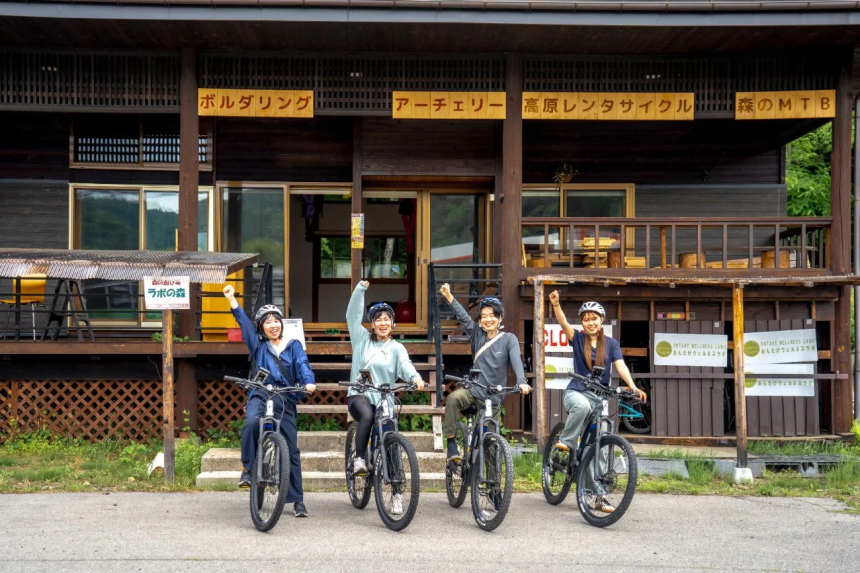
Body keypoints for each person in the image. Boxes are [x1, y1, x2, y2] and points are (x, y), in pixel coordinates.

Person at [547, 291, 647, 512]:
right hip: (577, 392)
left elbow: (620, 365)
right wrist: (556, 305)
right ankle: (566, 442)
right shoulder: (578, 339)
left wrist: (631, 385)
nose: (590, 322)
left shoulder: (611, 344)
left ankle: (598, 496)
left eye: (594, 318)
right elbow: (563, 323)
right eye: (586, 319)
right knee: (582, 407)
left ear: (602, 320)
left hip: (599, 398)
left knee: (600, 446)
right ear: (582, 323)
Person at [222, 285, 316, 518]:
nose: (273, 325)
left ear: (281, 324)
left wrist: (308, 382)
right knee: (251, 423)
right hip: (261, 392)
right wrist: (232, 300)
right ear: (261, 327)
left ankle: (297, 500)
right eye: (267, 322)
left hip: (285, 395)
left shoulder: (293, 345)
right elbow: (244, 324)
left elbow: (303, 364)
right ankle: (248, 469)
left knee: (291, 449)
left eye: (276, 320)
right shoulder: (259, 345)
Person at [346, 280, 425, 515]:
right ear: (372, 323)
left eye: (387, 319)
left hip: (384, 399)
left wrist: (415, 378)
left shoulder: (397, 348)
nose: (383, 323)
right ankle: (360, 459)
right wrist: (360, 289)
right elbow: (351, 315)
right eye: (378, 319)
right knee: (367, 416)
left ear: (393, 323)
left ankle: (397, 493)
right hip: (360, 394)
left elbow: (406, 366)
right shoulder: (361, 339)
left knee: (391, 438)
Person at [439, 284, 530, 467]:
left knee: (491, 444)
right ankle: (451, 443)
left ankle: (493, 482)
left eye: (492, 315)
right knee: (453, 399)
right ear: (480, 320)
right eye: (484, 316)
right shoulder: (476, 334)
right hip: (473, 390)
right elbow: (463, 316)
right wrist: (449, 296)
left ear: (500, 317)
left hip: (493, 396)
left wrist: (522, 381)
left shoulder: (509, 339)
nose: (488, 319)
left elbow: (516, 360)